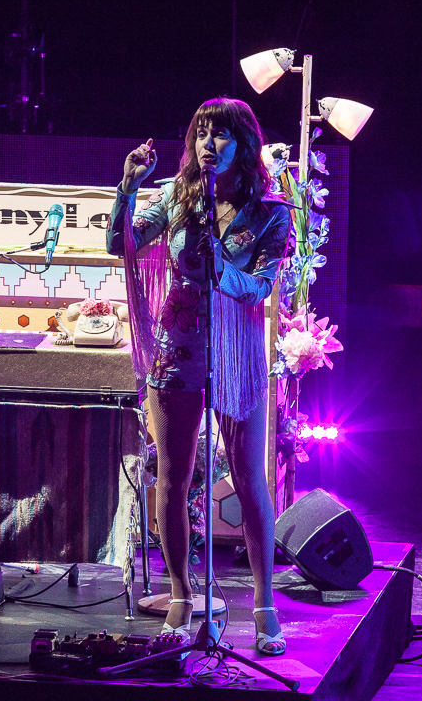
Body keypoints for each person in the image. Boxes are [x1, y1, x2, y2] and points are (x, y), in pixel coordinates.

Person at [106, 98, 291, 655]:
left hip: (235, 353)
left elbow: (260, 288)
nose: (210, 145)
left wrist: (222, 267)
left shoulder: (271, 213)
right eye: (202, 134)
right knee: (173, 475)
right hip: (177, 348)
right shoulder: (177, 196)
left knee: (249, 479)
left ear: (244, 144)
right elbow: (121, 244)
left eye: (222, 136)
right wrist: (128, 186)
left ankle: (263, 606)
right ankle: (183, 595)